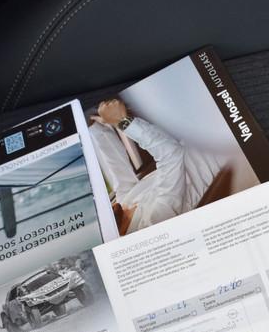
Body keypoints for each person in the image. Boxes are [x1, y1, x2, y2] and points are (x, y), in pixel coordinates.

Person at [92, 98, 223, 233]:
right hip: (216, 147)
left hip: (192, 136)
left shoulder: (123, 206)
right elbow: (171, 154)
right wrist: (122, 121)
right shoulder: (152, 224)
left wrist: (92, 126)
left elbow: (115, 162)